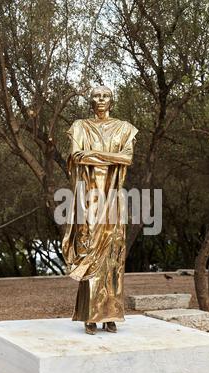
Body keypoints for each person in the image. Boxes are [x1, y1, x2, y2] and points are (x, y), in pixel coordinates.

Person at [62, 86, 138, 335]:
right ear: (90, 101)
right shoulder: (80, 126)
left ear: (112, 101)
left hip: (114, 197)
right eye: (96, 95)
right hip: (90, 198)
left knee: (114, 255)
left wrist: (92, 152)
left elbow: (127, 158)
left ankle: (111, 315)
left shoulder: (124, 128)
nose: (101, 99)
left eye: (105, 95)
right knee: (90, 252)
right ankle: (90, 316)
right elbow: (76, 156)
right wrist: (109, 156)